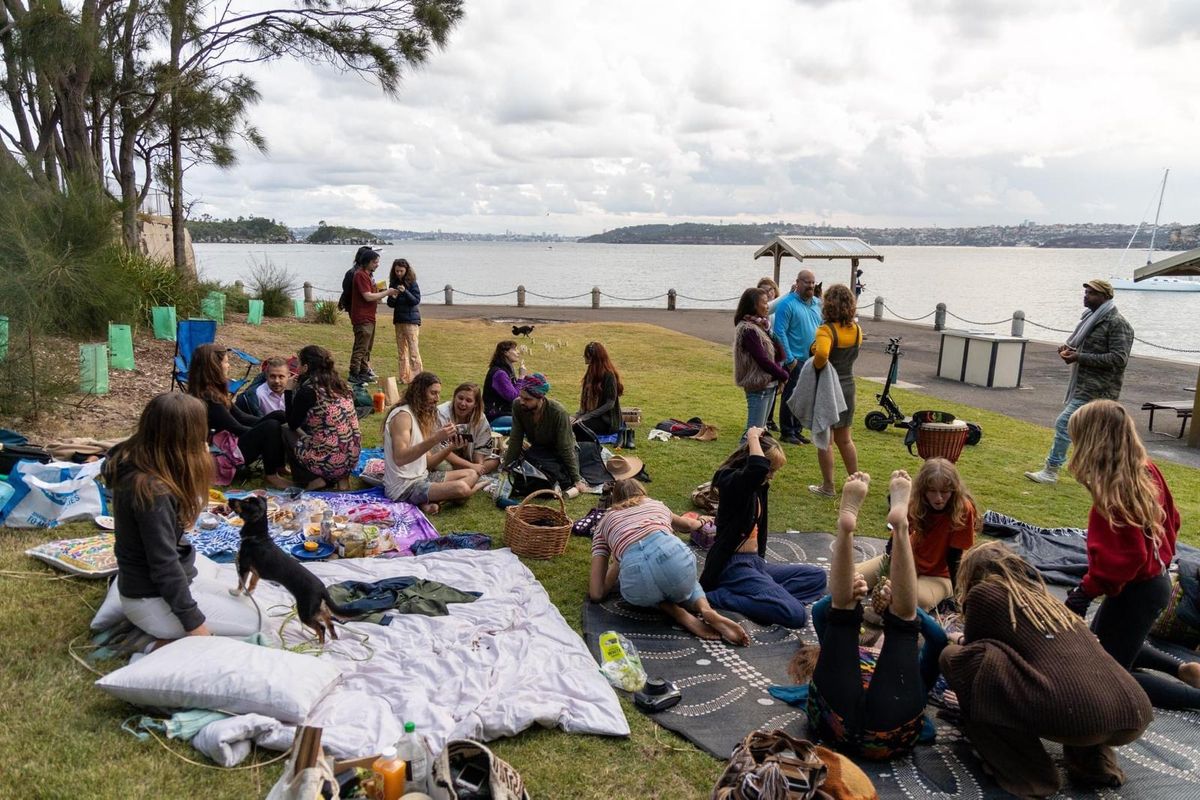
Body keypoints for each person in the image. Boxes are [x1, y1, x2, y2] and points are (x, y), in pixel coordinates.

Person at [940, 542, 1154, 796]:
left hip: (1078, 716)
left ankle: (1031, 775)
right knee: (1065, 672)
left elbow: (975, 648)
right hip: (1133, 712)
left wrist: (957, 639)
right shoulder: (1046, 599)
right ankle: (1094, 762)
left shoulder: (985, 593)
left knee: (956, 659)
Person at [1062, 399, 1200, 709]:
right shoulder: (1148, 471)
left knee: (1110, 673)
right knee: (1104, 641)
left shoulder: (1111, 493)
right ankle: (1182, 669)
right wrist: (1161, 557)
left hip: (1137, 590)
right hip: (1155, 580)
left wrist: (1085, 591)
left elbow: (1124, 559)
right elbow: (1173, 520)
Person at [800, 471, 943, 761]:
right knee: (903, 624)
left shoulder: (854, 651)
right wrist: (905, 611)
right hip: (890, 734)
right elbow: (938, 639)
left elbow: (819, 611)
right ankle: (900, 528)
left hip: (832, 722)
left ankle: (847, 527)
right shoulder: (914, 664)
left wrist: (850, 596)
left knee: (842, 611)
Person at [104, 393, 260, 641]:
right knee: (255, 622)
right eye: (202, 431)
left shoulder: (144, 463)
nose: (206, 438)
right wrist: (195, 625)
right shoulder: (151, 490)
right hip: (149, 598)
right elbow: (164, 564)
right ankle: (158, 646)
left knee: (248, 602)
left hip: (164, 585)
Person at [588, 477, 750, 646]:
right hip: (672, 556)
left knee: (647, 590)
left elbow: (596, 593)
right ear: (642, 493)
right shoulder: (655, 504)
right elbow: (686, 525)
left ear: (614, 499)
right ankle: (706, 609)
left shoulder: (604, 523)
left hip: (638, 579)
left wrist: (618, 561)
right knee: (691, 580)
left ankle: (672, 610)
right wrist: (701, 521)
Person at [700, 427, 827, 627]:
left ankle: (765, 596)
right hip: (732, 566)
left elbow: (758, 470)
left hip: (755, 565)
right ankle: (719, 597)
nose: (771, 476)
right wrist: (752, 436)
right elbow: (757, 468)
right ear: (752, 458)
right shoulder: (732, 482)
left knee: (816, 577)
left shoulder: (758, 487)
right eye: (770, 470)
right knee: (796, 614)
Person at [1025, 279, 1133, 484]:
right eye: (1086, 292)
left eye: (1092, 293)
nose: (1086, 296)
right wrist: (1071, 352)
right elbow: (1091, 350)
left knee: (1065, 423)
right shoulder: (1090, 319)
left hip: (1100, 389)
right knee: (1095, 433)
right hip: (1084, 385)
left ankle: (1051, 470)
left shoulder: (1117, 324)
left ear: (1105, 297)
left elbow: (1119, 359)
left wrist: (1079, 357)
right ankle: (1100, 472)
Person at [855, 457, 978, 610]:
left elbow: (955, 558)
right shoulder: (914, 501)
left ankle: (916, 593)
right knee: (849, 579)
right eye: (932, 491)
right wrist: (888, 573)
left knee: (912, 601)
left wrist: (960, 596)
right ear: (923, 490)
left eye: (945, 492)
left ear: (954, 490)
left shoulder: (963, 509)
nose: (939, 498)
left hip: (940, 574)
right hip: (906, 558)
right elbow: (894, 542)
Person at [187, 343, 289, 489]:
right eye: (226, 362)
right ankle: (271, 476)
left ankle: (279, 466)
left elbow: (242, 417)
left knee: (277, 417)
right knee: (270, 427)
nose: (228, 366)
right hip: (220, 455)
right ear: (214, 367)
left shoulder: (214, 391)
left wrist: (272, 419)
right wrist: (264, 436)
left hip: (228, 443)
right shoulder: (208, 397)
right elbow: (236, 428)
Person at [382, 372, 485, 515]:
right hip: (404, 487)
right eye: (433, 393)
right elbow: (400, 458)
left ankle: (431, 500)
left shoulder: (421, 416)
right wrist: (435, 438)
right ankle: (435, 498)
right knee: (462, 489)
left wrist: (451, 447)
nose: (437, 399)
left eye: (438, 394)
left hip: (422, 477)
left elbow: (429, 463)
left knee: (472, 474)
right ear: (419, 392)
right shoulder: (403, 417)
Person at [807, 284, 862, 498]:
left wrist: (817, 364)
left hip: (829, 387)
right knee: (845, 439)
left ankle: (828, 486)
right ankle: (856, 481)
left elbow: (821, 355)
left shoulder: (825, 330)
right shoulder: (857, 330)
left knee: (825, 439)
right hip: (848, 385)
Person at [285, 345, 362, 490]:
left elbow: (292, 424)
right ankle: (341, 479)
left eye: (299, 364)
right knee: (333, 436)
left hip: (330, 460)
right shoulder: (340, 384)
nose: (297, 368)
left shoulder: (309, 391)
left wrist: (288, 391)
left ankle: (310, 480)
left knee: (286, 431)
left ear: (306, 367)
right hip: (352, 457)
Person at [502, 373, 590, 495]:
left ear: (541, 398)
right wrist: (507, 468)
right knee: (526, 468)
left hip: (559, 452)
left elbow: (566, 447)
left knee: (555, 475)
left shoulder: (557, 412)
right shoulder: (518, 406)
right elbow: (516, 438)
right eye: (521, 397)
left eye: (527, 399)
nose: (522, 402)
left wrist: (577, 479)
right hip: (538, 451)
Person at [772, 269, 822, 445]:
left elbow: (822, 328)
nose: (810, 285)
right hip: (795, 359)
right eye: (807, 282)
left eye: (813, 282)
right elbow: (779, 332)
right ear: (798, 282)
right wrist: (789, 359)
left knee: (805, 396)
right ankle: (787, 431)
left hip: (813, 359)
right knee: (791, 395)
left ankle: (798, 429)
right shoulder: (787, 304)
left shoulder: (817, 303)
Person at [733, 288, 789, 437]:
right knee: (752, 432)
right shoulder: (748, 330)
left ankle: (757, 458)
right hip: (759, 385)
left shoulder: (763, 326)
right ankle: (744, 459)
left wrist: (780, 375)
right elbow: (762, 359)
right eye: (764, 303)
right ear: (753, 306)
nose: (767, 306)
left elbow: (777, 354)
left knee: (760, 430)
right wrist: (783, 375)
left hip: (769, 383)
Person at [346, 247, 399, 385]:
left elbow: (372, 295)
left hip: (369, 316)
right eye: (375, 262)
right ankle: (354, 373)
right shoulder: (360, 275)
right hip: (362, 317)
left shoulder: (368, 276)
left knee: (367, 347)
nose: (377, 264)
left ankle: (363, 371)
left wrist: (381, 291)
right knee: (361, 346)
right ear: (368, 262)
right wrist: (387, 292)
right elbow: (367, 296)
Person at [434, 382, 499, 477]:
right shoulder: (441, 413)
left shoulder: (480, 418)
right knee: (445, 467)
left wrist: (479, 466)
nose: (463, 403)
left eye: (468, 400)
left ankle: (468, 474)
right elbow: (439, 450)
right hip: (444, 456)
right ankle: (468, 474)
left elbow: (480, 450)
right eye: (460, 398)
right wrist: (471, 466)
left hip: (468, 458)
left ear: (475, 404)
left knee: (496, 460)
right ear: (454, 397)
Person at [573, 341, 624, 438]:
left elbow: (610, 404)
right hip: (592, 416)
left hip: (606, 421)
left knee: (578, 427)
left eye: (586, 355)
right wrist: (576, 416)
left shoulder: (609, 375)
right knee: (568, 423)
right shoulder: (590, 372)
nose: (584, 357)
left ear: (593, 357)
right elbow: (585, 401)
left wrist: (586, 417)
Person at [385, 257, 423, 384]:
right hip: (399, 320)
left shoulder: (412, 283)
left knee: (413, 351)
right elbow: (390, 304)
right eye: (397, 271)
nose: (399, 273)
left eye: (401, 271)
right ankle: (404, 377)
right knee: (401, 351)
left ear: (406, 270)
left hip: (411, 320)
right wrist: (393, 296)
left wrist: (405, 292)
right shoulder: (393, 283)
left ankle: (417, 377)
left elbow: (415, 300)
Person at [756, 277, 783, 433]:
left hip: (777, 350)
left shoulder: (778, 307)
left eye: (770, 290)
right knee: (765, 385)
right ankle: (763, 420)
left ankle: (769, 418)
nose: (768, 293)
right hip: (765, 350)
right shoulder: (762, 310)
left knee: (775, 386)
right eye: (764, 291)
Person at [483, 340, 528, 427]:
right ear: (505, 352)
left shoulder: (506, 370)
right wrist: (521, 377)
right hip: (495, 417)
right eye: (514, 349)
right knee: (528, 421)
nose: (518, 352)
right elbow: (514, 397)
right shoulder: (500, 373)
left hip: (505, 414)